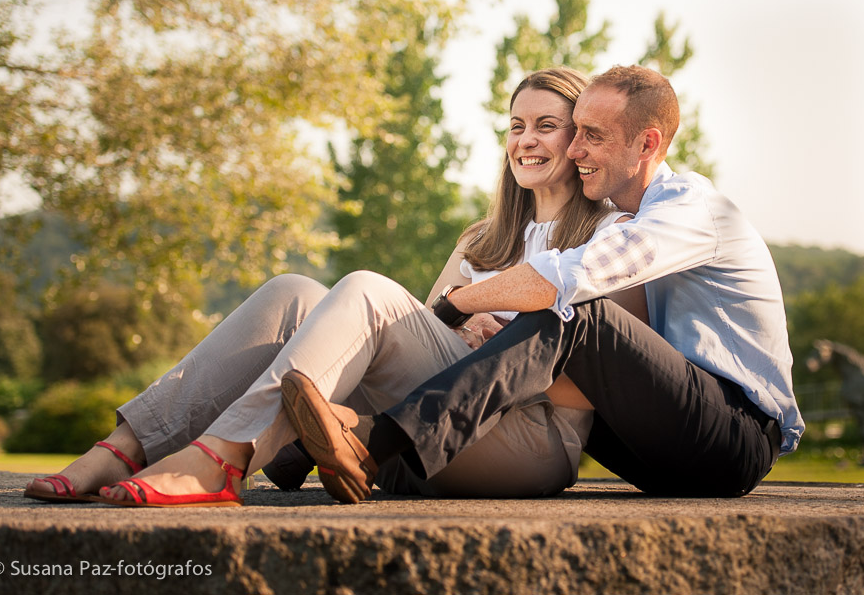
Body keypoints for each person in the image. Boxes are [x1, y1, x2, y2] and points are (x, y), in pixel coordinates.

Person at [24, 67, 645, 507]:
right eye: (516, 126)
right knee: (291, 291)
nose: (526, 140)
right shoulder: (481, 240)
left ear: (580, 137)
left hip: (526, 440)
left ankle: (224, 458)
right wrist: (459, 326)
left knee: (368, 289)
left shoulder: (611, 237)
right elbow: (425, 332)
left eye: (547, 125)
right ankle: (126, 446)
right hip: (424, 424)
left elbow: (610, 375)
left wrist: (503, 342)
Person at [288, 65, 804, 503]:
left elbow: (566, 278)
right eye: (574, 133)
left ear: (647, 143)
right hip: (650, 439)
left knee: (580, 312)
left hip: (733, 435)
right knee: (558, 329)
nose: (574, 149)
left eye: (592, 135)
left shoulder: (690, 210)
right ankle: (295, 447)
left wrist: (455, 304)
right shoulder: (622, 218)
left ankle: (376, 443)